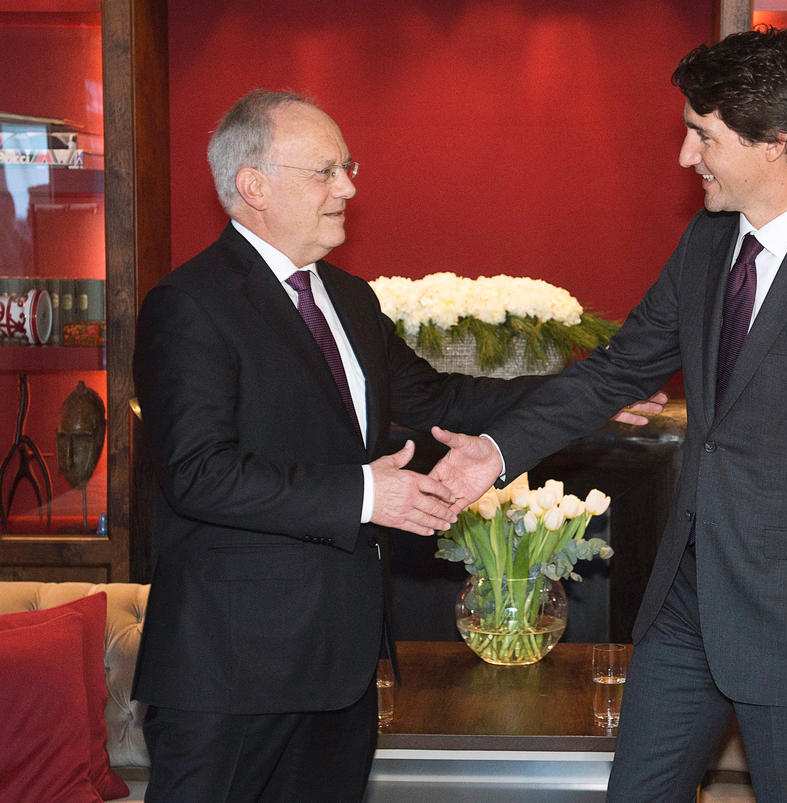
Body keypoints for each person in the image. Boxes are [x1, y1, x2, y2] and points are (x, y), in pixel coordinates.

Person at [430, 26, 787, 802]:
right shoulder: (707, 245)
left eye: (703, 135)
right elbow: (618, 368)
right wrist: (495, 452)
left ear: (772, 141)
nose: (684, 156)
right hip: (687, 605)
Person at [131, 88, 663, 802]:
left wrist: (590, 398)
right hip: (228, 674)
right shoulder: (188, 305)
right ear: (252, 185)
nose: (349, 186)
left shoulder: (348, 298)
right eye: (326, 171)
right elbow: (197, 473)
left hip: (341, 668)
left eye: (347, 166)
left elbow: (442, 402)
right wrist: (366, 493)